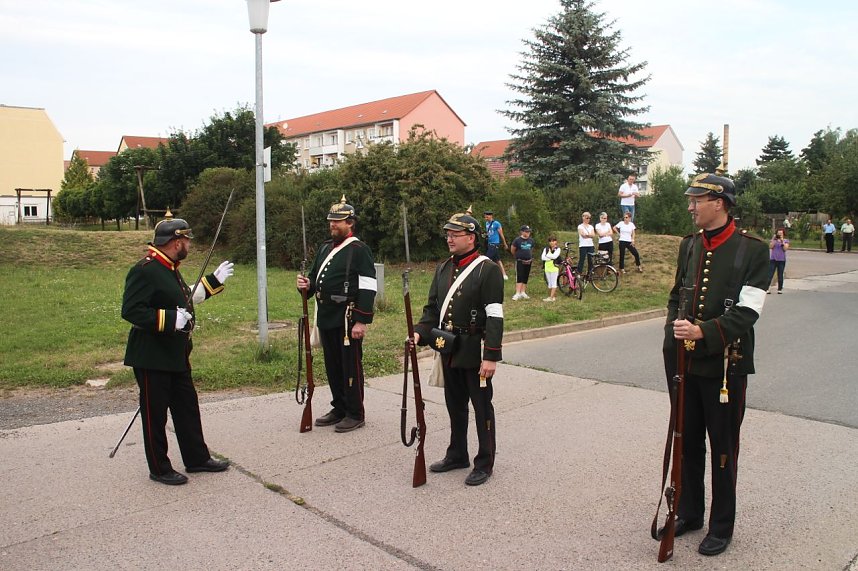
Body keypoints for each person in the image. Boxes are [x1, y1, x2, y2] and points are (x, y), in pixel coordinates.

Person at [660, 173, 768, 556]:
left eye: (696, 201)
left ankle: (722, 526)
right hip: (685, 363)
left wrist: (703, 331)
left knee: (722, 448)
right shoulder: (689, 245)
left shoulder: (754, 250)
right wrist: (672, 335)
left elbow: (749, 311)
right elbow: (676, 296)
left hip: (725, 366)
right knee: (686, 443)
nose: (690, 207)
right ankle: (690, 512)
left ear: (719, 203)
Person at [121, 215, 234, 485]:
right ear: (175, 242)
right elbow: (132, 310)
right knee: (155, 415)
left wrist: (213, 282)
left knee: (187, 408)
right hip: (152, 355)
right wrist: (170, 320)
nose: (189, 245)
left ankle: (197, 458)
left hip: (176, 354)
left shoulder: (170, 266)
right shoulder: (146, 269)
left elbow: (183, 296)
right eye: (186, 240)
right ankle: (159, 468)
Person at [413, 212, 504, 487]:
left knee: (481, 407)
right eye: (448, 234)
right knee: (455, 406)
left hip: (475, 351)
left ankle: (485, 462)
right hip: (448, 347)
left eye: (456, 234)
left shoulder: (486, 269)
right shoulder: (443, 268)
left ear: (472, 237)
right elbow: (432, 309)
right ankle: (457, 453)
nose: (449, 238)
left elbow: (495, 316)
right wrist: (418, 332)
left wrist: (490, 356)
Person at [296, 195, 377, 433]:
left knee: (350, 366)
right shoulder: (324, 248)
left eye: (338, 221)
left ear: (350, 223)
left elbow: (368, 286)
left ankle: (355, 412)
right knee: (332, 365)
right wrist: (305, 285)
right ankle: (339, 407)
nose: (333, 225)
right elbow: (314, 278)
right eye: (331, 221)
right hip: (326, 315)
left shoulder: (359, 250)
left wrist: (361, 320)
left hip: (348, 317)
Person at [510, 225, 535, 300]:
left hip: (528, 261)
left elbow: (531, 249)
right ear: (522, 232)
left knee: (525, 276)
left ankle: (523, 292)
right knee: (519, 276)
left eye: (529, 232)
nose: (528, 233)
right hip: (520, 261)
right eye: (526, 231)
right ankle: (517, 292)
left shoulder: (531, 240)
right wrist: (517, 256)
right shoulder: (517, 240)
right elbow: (513, 249)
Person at [483, 210, 509, 280]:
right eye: (485, 217)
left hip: (494, 244)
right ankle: (504, 274)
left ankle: (488, 275)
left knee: (487, 259)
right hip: (489, 243)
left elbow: (501, 234)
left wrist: (505, 243)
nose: (486, 218)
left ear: (491, 216)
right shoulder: (486, 224)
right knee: (498, 259)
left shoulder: (496, 223)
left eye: (487, 217)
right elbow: (489, 233)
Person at [767, 228, 790, 294]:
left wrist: (782, 241)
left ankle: (779, 289)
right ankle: (767, 288)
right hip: (773, 259)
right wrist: (774, 239)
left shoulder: (786, 241)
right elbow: (770, 247)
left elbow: (785, 249)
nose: (779, 235)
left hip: (781, 260)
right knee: (770, 274)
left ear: (783, 234)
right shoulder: (774, 240)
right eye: (778, 234)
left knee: (780, 274)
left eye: (781, 234)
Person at [541, 235, 562, 302]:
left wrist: (547, 256)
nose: (552, 242)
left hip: (554, 268)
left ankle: (551, 297)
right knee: (549, 283)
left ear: (556, 241)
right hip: (547, 268)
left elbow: (555, 256)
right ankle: (551, 296)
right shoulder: (546, 249)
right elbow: (542, 258)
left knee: (553, 283)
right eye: (550, 241)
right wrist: (550, 257)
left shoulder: (558, 249)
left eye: (553, 241)